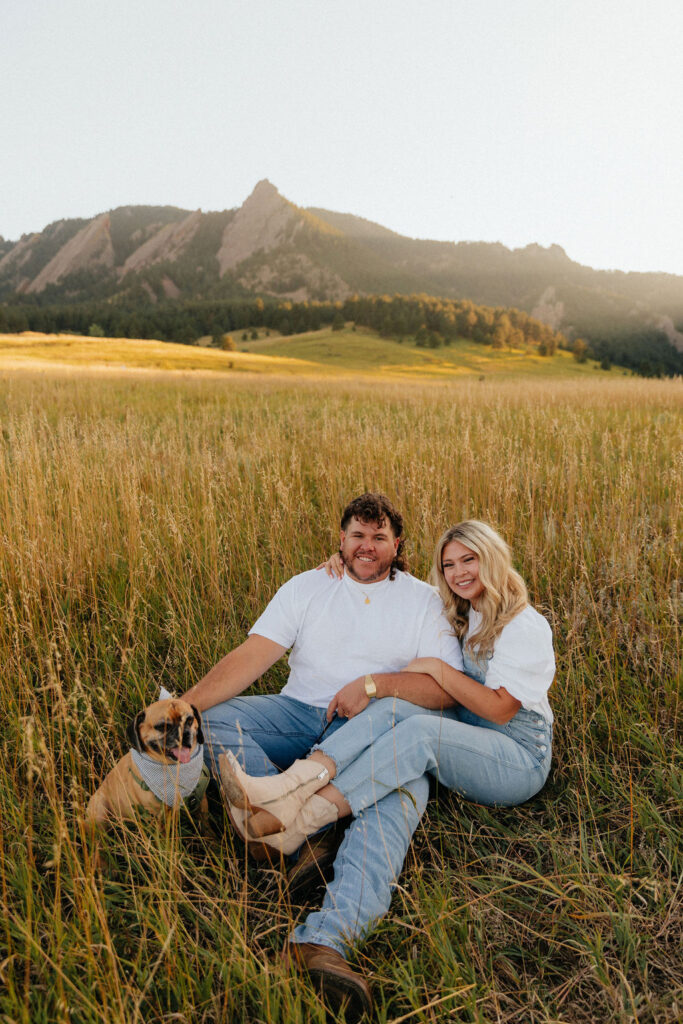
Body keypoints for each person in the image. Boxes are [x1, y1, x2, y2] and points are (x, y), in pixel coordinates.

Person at [220, 520, 555, 1016]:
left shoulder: (524, 624)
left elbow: (502, 711)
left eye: (471, 560)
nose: (460, 573)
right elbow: (372, 580)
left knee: (414, 736)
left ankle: (303, 821)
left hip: (516, 754)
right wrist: (343, 570)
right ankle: (289, 805)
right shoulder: (464, 610)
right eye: (450, 565)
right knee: (393, 712)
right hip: (467, 735)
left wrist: (435, 671)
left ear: (494, 558)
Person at [182, 493, 464, 1018]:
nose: (367, 546)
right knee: (216, 719)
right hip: (300, 712)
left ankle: (322, 944)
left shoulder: (424, 600)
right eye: (357, 535)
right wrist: (184, 705)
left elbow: (443, 691)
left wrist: (375, 688)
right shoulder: (310, 585)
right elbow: (253, 656)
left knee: (391, 811)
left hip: (383, 732)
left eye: (379, 538)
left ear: (397, 546)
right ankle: (299, 836)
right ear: (341, 539)